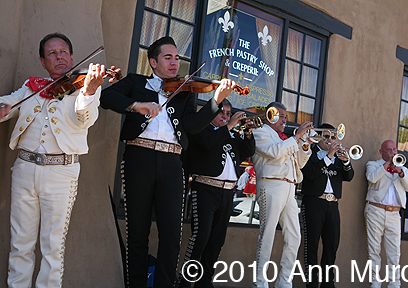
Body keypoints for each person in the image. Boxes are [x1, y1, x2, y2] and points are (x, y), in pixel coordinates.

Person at [99, 36, 234, 287]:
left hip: (173, 163)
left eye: (177, 58)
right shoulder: (136, 82)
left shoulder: (184, 91)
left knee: (171, 234)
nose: (175, 63)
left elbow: (193, 127)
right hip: (138, 158)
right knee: (137, 233)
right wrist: (137, 105)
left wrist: (215, 101)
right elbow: (106, 98)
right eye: (168, 57)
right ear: (153, 62)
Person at [0, 33, 107, 287]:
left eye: (63, 52)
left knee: (52, 246)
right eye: (52, 54)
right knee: (20, 243)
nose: (59, 57)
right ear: (43, 61)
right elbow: (10, 103)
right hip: (25, 168)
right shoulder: (31, 87)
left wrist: (90, 90)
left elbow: (85, 118)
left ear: (71, 56)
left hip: (61, 172)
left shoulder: (84, 87)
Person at [178, 99, 255, 287]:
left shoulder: (231, 134)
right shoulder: (200, 130)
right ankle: (185, 281)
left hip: (227, 193)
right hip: (205, 188)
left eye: (228, 113)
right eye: (221, 112)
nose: (225, 116)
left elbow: (247, 152)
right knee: (201, 236)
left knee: (217, 240)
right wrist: (229, 126)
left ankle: (204, 281)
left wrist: (248, 133)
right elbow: (206, 144)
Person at [251, 102, 313, 288]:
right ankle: (260, 283)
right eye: (281, 115)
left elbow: (299, 164)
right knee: (267, 235)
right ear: (270, 115)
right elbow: (275, 152)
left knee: (295, 236)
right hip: (270, 185)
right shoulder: (260, 132)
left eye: (286, 116)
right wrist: (296, 138)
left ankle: (284, 282)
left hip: (290, 188)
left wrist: (303, 146)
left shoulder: (285, 138)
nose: (285, 119)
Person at [300, 123, 354, 288]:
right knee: (312, 245)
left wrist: (345, 162)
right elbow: (308, 174)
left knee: (331, 245)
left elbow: (349, 176)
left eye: (333, 137)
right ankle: (312, 283)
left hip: (332, 205)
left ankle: (327, 283)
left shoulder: (338, 156)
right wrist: (329, 156)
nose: (330, 140)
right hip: (314, 202)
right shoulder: (310, 152)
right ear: (318, 138)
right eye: (326, 136)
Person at [365, 140, 408, 288]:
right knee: (374, 249)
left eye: (395, 149)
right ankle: (375, 282)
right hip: (375, 210)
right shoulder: (373, 165)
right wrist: (387, 164)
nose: (393, 152)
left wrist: (400, 171)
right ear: (382, 152)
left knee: (394, 252)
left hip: (394, 214)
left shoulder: (403, 169)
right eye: (389, 150)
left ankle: (394, 284)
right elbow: (372, 178)